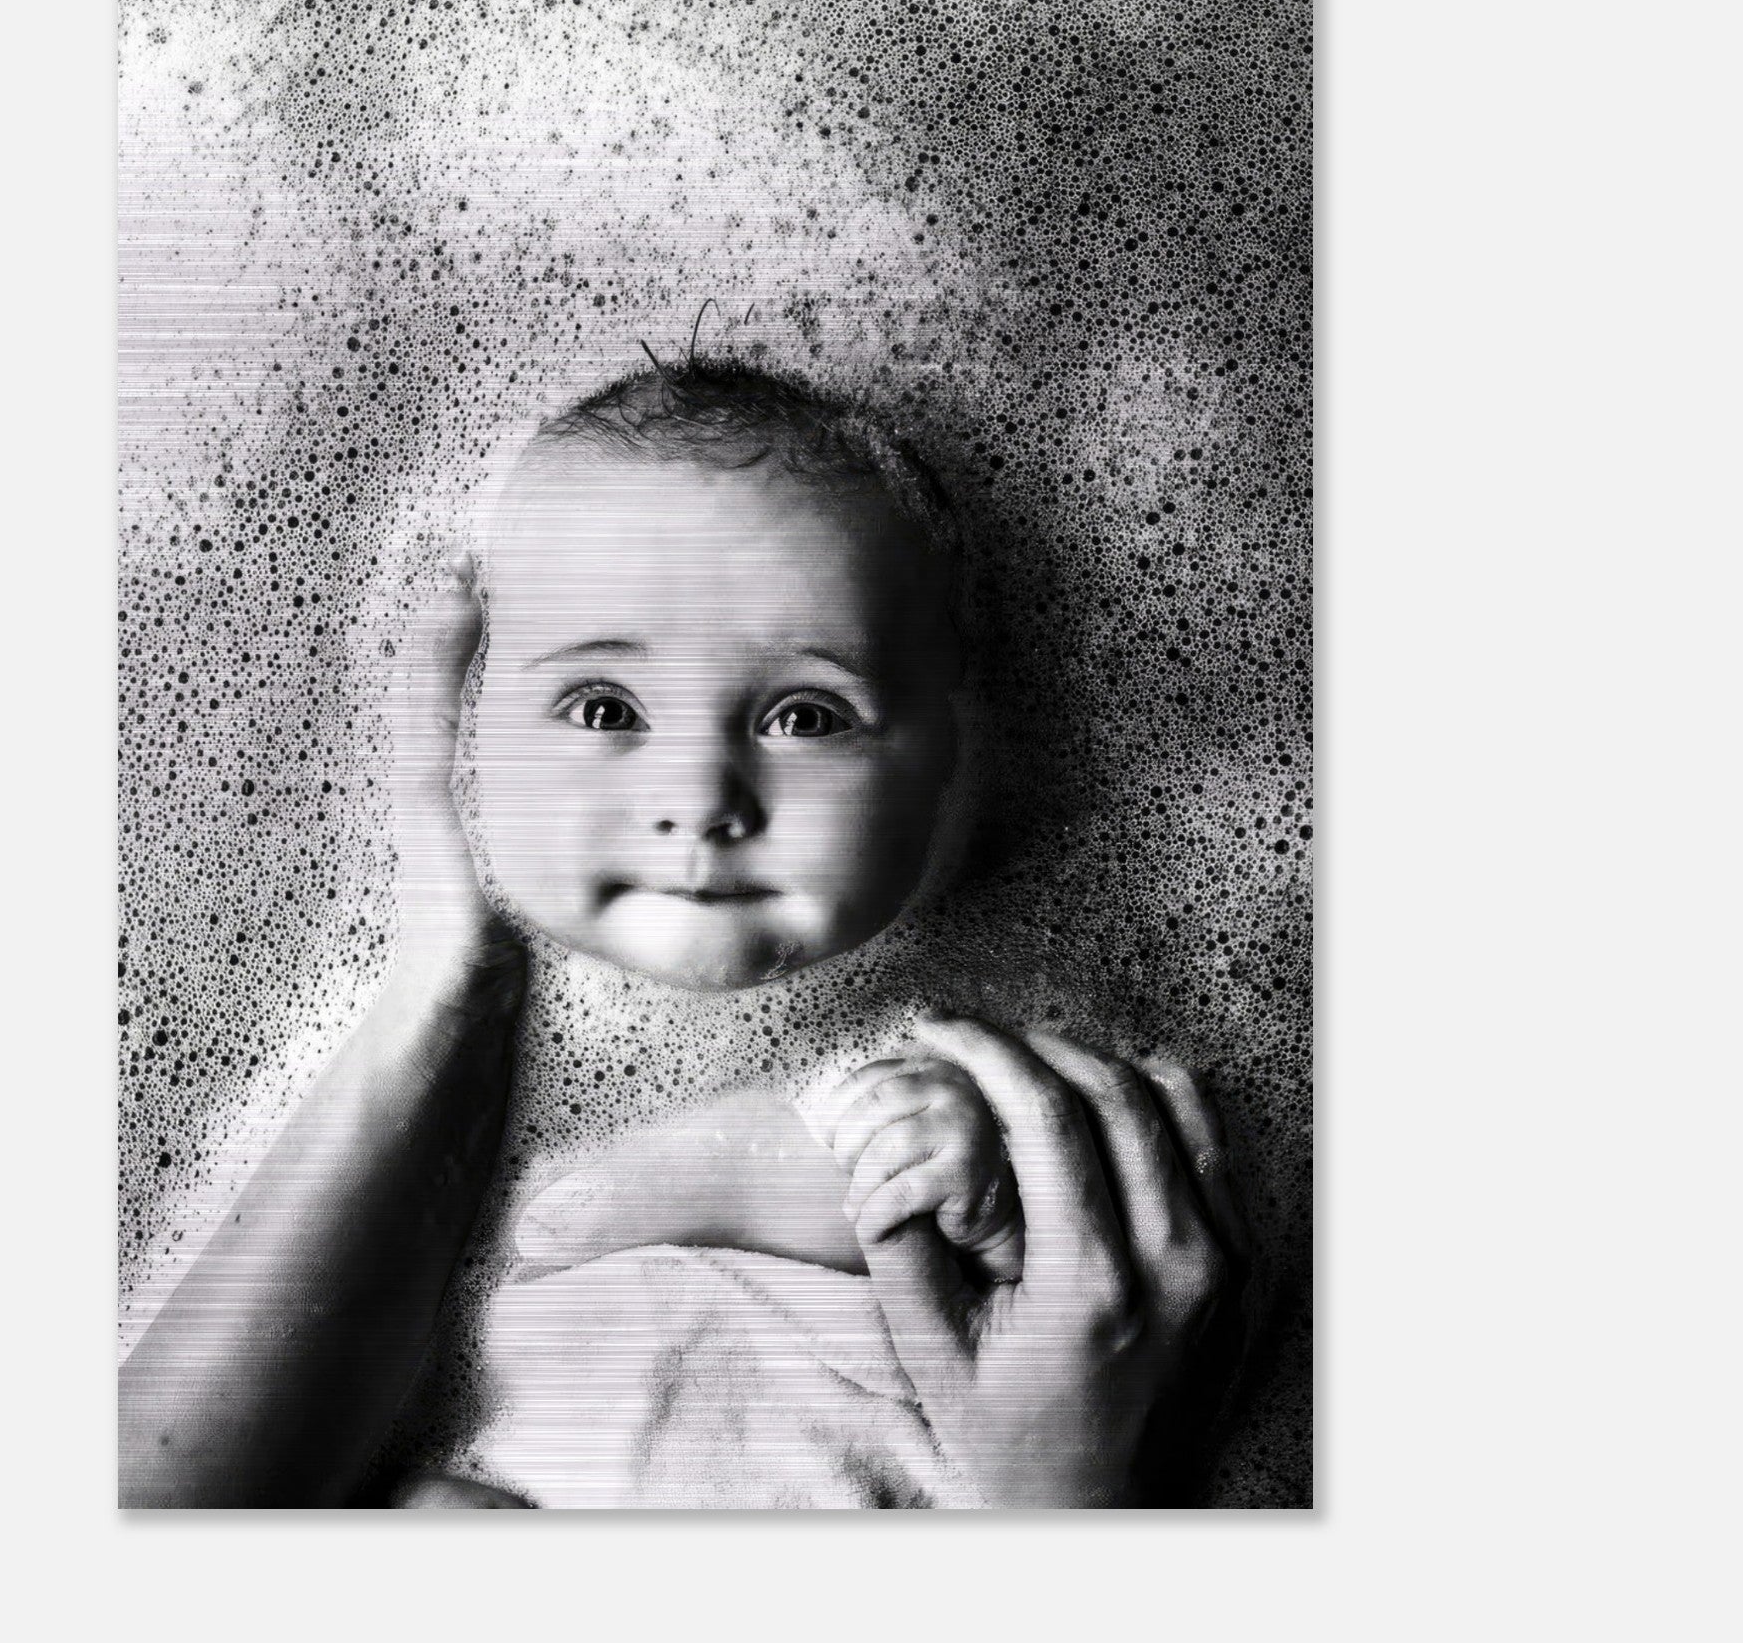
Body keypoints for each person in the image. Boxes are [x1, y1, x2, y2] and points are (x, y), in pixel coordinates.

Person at [119, 361, 1247, 1508]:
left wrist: (982, 1192)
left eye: (804, 714)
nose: (701, 795)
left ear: (961, 755)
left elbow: (1070, 1290)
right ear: (473, 729)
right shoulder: (444, 1102)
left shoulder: (1000, 1050)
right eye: (604, 708)